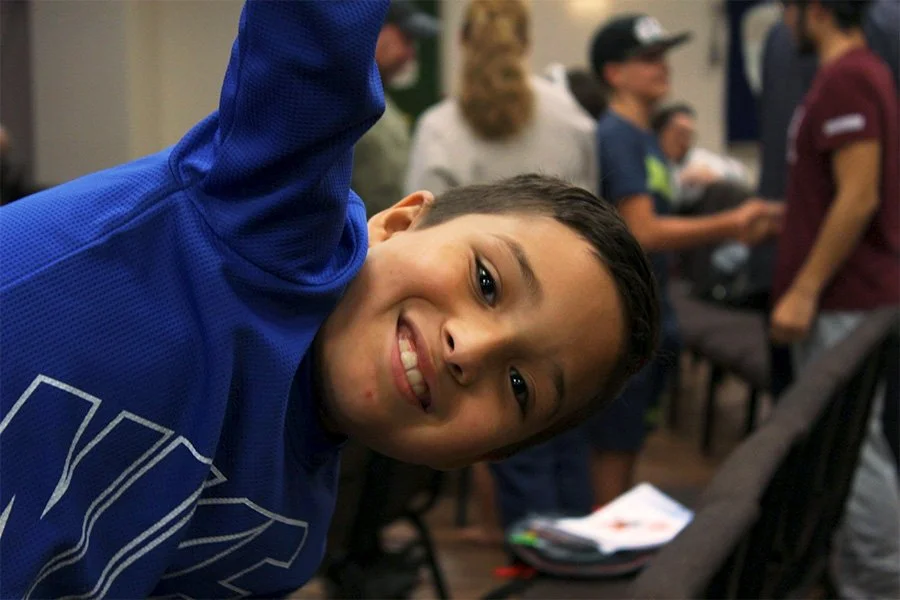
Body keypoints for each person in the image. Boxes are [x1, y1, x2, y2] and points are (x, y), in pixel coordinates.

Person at [0, 1, 661, 597]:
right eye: (486, 281)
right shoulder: (259, 228)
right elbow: (316, 34)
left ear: (484, 456)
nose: (474, 348)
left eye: (520, 387)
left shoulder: (284, 544)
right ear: (400, 221)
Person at [406, 0, 598, 544]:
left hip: (470, 337)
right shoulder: (573, 119)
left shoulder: (439, 129)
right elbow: (597, 227)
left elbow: (421, 232)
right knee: (566, 448)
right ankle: (577, 563)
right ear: (526, 40)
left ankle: (524, 562)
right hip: (570, 328)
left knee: (513, 461)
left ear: (463, 41)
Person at [586, 14, 783, 506]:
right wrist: (733, 224)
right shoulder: (617, 136)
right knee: (614, 448)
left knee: (630, 444)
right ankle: (603, 567)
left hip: (655, 310)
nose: (662, 66)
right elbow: (643, 229)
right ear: (614, 73)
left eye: (662, 55)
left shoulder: (645, 136)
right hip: (625, 318)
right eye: (647, 59)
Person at [771, 1, 899, 598]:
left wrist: (803, 288)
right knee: (845, 439)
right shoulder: (852, 74)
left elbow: (858, 197)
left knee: (855, 443)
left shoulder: (848, 75)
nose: (783, 21)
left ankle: (877, 582)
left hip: (844, 298)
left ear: (813, 10)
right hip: (845, 294)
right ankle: (858, 574)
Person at [351, 0, 439, 217]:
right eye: (406, 39)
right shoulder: (343, 102)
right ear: (376, 31)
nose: (410, 54)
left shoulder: (381, 102)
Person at [652, 103, 753, 210]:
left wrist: (717, 176)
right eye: (680, 133)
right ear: (661, 133)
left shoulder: (696, 157)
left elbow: (740, 173)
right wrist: (681, 179)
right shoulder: (650, 158)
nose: (685, 141)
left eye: (689, 135)